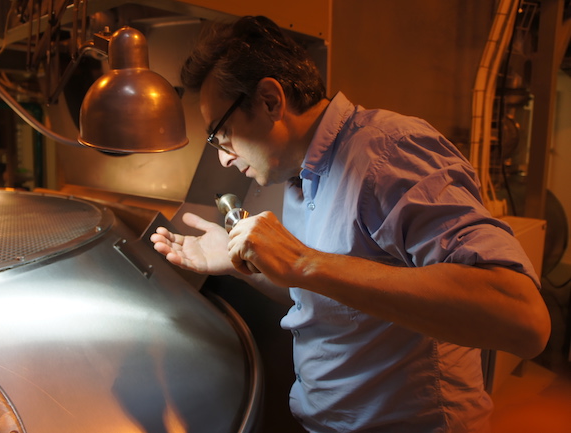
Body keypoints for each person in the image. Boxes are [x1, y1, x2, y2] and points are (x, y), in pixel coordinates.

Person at [150, 15, 551, 433]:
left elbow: (522, 319)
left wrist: (303, 261)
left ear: (269, 101)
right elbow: (332, 290)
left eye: (222, 133)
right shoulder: (301, 174)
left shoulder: (389, 153)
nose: (222, 157)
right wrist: (247, 266)